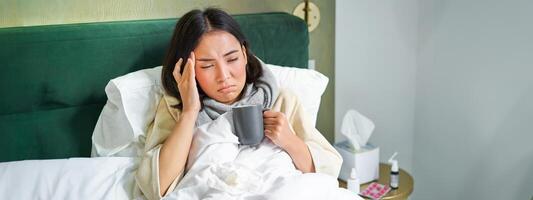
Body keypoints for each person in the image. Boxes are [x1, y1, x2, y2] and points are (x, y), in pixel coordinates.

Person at [134, 8, 342, 200]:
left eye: (232, 59)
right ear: (188, 70)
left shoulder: (282, 100)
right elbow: (156, 187)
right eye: (207, 66)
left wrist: (289, 141)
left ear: (244, 54)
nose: (224, 76)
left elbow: (326, 171)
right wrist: (190, 111)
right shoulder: (175, 109)